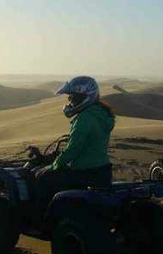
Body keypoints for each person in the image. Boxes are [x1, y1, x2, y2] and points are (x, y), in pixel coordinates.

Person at [35, 76, 115, 211]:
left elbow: (72, 151)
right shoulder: (102, 115)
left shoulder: (85, 118)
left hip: (83, 173)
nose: (69, 100)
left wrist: (51, 167)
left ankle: (44, 219)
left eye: (72, 96)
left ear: (85, 97)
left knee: (40, 177)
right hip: (103, 172)